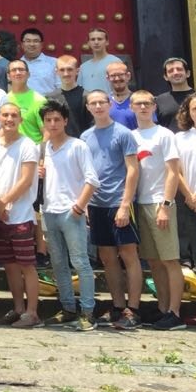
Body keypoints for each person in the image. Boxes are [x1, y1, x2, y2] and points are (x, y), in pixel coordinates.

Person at [81, 90, 142, 329]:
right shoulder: (85, 136)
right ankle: (117, 306)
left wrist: (125, 204)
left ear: (109, 105)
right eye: (93, 103)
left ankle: (133, 309)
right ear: (88, 108)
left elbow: (133, 170)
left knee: (129, 255)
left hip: (119, 202)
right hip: (96, 204)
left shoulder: (123, 133)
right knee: (107, 257)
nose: (98, 106)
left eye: (101, 102)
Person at [39, 99, 99, 331]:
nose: (53, 124)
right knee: (58, 264)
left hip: (71, 212)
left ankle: (87, 311)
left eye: (57, 119)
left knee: (80, 262)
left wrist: (79, 207)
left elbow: (91, 179)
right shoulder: (43, 148)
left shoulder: (77, 146)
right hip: (50, 211)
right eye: (48, 120)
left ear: (65, 121)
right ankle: (67, 308)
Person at [131, 91, 185, 330]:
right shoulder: (131, 136)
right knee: (153, 261)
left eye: (147, 103)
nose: (143, 107)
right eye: (138, 104)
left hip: (159, 203)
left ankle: (175, 311)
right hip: (140, 202)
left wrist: (166, 204)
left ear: (154, 107)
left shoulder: (164, 134)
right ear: (131, 108)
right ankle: (162, 308)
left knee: (170, 259)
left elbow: (173, 171)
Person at [0, 104, 41, 327]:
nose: (9, 119)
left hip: (21, 215)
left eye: (14, 115)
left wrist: (4, 201)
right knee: (9, 265)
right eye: (5, 115)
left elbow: (26, 180)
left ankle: (32, 312)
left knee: (26, 265)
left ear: (20, 119)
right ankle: (18, 308)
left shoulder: (28, 145)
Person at [174, 93, 196, 324]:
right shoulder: (180, 138)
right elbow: (176, 171)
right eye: (195, 108)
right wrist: (189, 196)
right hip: (189, 204)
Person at [46, 54, 92, 138]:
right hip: (58, 145)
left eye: (70, 69)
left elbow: (92, 125)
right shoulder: (50, 98)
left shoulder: (87, 97)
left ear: (77, 71)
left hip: (82, 144)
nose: (66, 73)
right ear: (56, 72)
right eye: (62, 70)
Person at [4, 58, 46, 142]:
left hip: (34, 150)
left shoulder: (39, 100)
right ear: (8, 76)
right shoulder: (4, 99)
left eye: (21, 70)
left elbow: (46, 132)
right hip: (11, 150)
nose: (18, 73)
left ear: (28, 74)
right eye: (14, 70)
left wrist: (42, 154)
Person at [79, 27, 122, 94]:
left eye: (99, 39)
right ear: (88, 43)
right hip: (88, 103)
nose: (96, 42)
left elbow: (121, 87)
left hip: (109, 103)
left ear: (107, 42)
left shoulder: (115, 62)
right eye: (93, 39)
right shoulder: (83, 67)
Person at [155, 57, 193, 129]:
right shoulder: (160, 100)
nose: (175, 73)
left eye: (179, 69)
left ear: (188, 73)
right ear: (166, 77)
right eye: (170, 71)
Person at [19, 28, 58, 94]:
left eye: (36, 41)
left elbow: (61, 87)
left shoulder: (54, 63)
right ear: (22, 45)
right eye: (28, 41)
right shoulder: (16, 65)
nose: (32, 44)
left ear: (42, 45)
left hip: (48, 103)